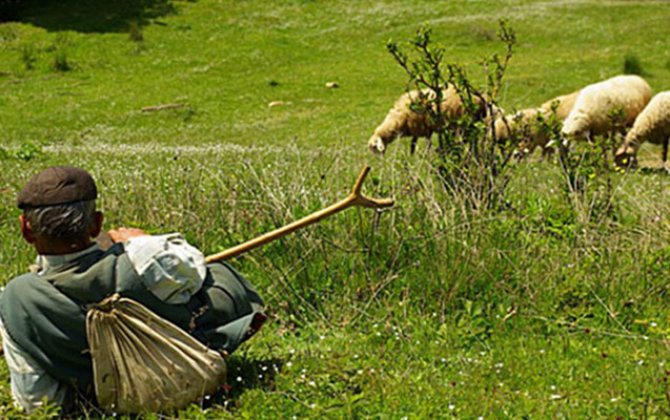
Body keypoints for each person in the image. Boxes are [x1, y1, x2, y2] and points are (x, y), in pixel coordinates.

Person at [0, 166, 266, 413]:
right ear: (97, 223)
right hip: (187, 368)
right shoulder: (143, 256)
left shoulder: (16, 299)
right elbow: (194, 269)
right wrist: (143, 241)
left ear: (26, 229)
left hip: (103, 399)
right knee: (217, 272)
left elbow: (34, 401)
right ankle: (211, 344)